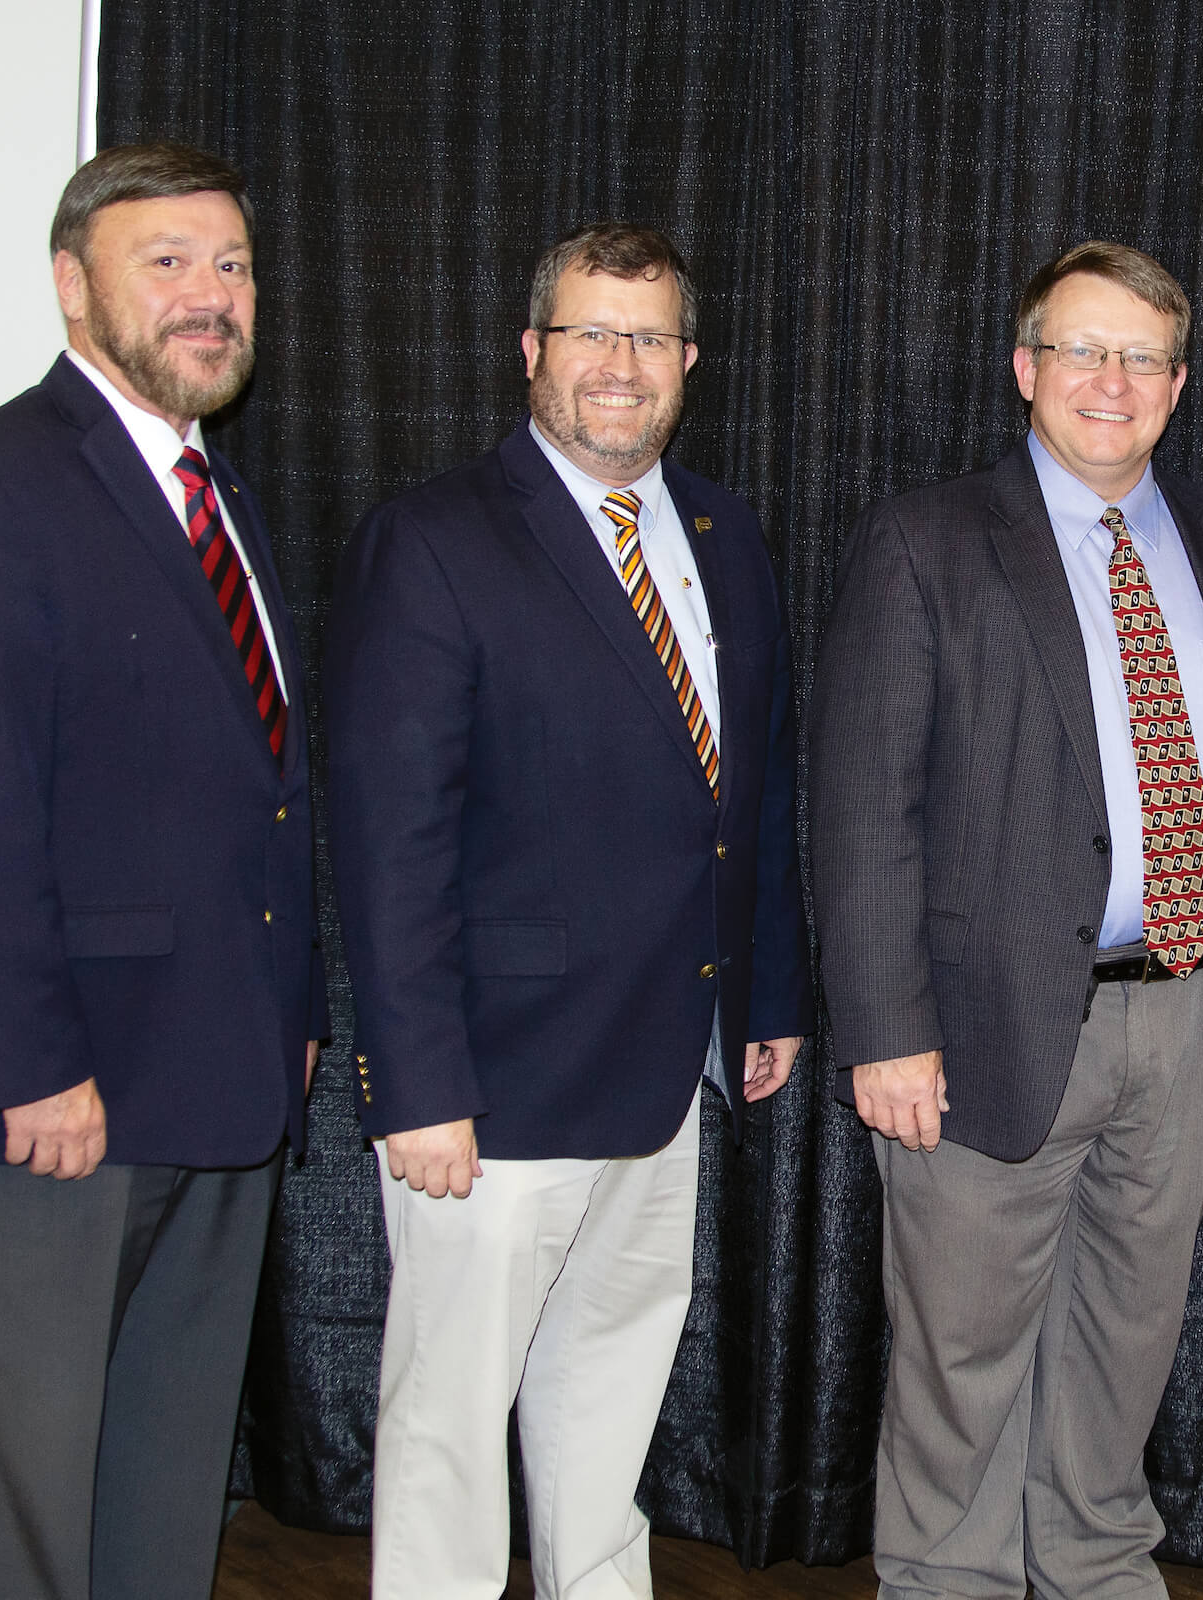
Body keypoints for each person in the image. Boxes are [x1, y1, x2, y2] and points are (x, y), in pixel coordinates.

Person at [0, 142, 326, 1599]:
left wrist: (292, 1006)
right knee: (31, 1495)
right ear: (74, 287)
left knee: (164, 1467)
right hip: (66, 1097)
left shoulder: (222, 496)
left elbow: (264, 792)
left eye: (233, 266)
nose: (211, 297)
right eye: (168, 262)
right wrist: (27, 1064)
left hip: (221, 1076)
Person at [810, 240, 1203, 1600]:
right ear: (1027, 369)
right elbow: (863, 806)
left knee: (1129, 1337)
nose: (1113, 380)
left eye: (1143, 358)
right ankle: (948, 1581)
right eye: (1084, 350)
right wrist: (886, 1030)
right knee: (963, 1357)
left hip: (1196, 1002)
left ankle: (1093, 1566)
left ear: (1180, 383)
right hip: (984, 1019)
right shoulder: (929, 538)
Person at [327, 221, 811, 1599]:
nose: (620, 364)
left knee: (609, 1411)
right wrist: (414, 1083)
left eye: (648, 337)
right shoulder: (429, 542)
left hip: (669, 1069)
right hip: (491, 1083)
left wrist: (766, 996)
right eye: (591, 332)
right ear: (531, 350)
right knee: (448, 1434)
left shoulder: (727, 534)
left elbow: (755, 789)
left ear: (689, 361)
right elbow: (388, 839)